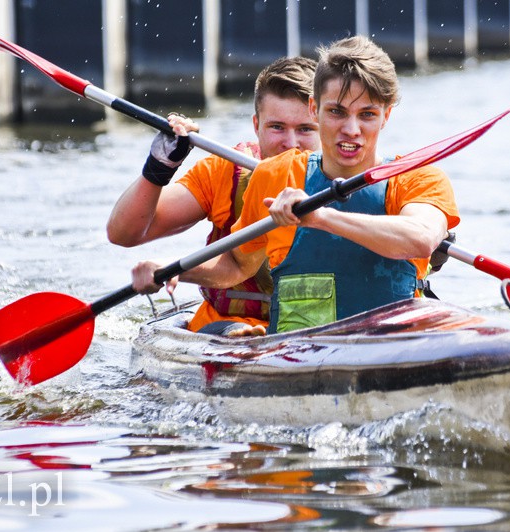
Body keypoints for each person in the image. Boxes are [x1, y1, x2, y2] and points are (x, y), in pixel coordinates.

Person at [132, 36, 460, 334]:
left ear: (386, 116)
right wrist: (174, 269)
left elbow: (419, 239)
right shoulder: (275, 174)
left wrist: (320, 217)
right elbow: (235, 265)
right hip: (293, 351)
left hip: (388, 347)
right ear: (316, 109)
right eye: (336, 112)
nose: (352, 129)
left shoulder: (419, 177)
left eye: (368, 115)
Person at [108, 57, 320, 335]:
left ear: (325, 125)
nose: (290, 144)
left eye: (305, 129)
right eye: (277, 127)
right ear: (256, 126)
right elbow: (124, 233)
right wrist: (159, 167)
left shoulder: (345, 177)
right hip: (229, 327)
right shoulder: (228, 173)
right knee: (233, 333)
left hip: (319, 328)